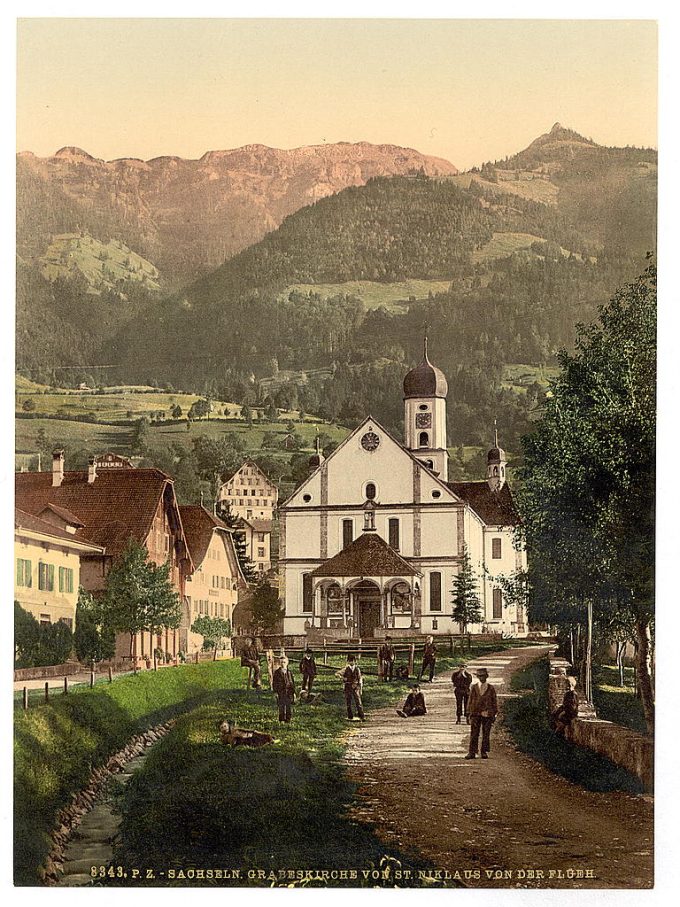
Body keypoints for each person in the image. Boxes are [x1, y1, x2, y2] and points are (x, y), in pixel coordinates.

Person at [465, 668, 498, 759]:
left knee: (486, 733)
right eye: (479, 676)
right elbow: (470, 700)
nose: (481, 678)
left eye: (483, 676)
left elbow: (494, 701)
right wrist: (468, 713)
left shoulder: (490, 688)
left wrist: (493, 713)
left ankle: (484, 751)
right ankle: (472, 752)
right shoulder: (474, 687)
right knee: (474, 733)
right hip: (475, 713)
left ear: (486, 677)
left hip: (487, 714)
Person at [272, 655, 296, 723]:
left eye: (284, 662)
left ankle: (288, 719)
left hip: (288, 692)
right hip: (281, 691)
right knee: (281, 706)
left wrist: (293, 692)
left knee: (288, 706)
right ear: (280, 663)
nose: (283, 664)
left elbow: (292, 683)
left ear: (287, 663)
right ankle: (281, 719)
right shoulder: (277, 672)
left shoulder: (289, 672)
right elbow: (274, 683)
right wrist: (275, 692)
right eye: (281, 662)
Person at [342, 654, 365, 721]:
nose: (351, 662)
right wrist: (343, 678)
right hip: (348, 687)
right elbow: (338, 674)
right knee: (348, 702)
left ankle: (362, 716)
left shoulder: (357, 669)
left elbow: (360, 679)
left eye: (352, 661)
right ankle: (350, 716)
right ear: (348, 661)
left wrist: (360, 688)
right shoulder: (346, 669)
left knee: (358, 702)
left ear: (355, 661)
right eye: (350, 661)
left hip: (356, 687)